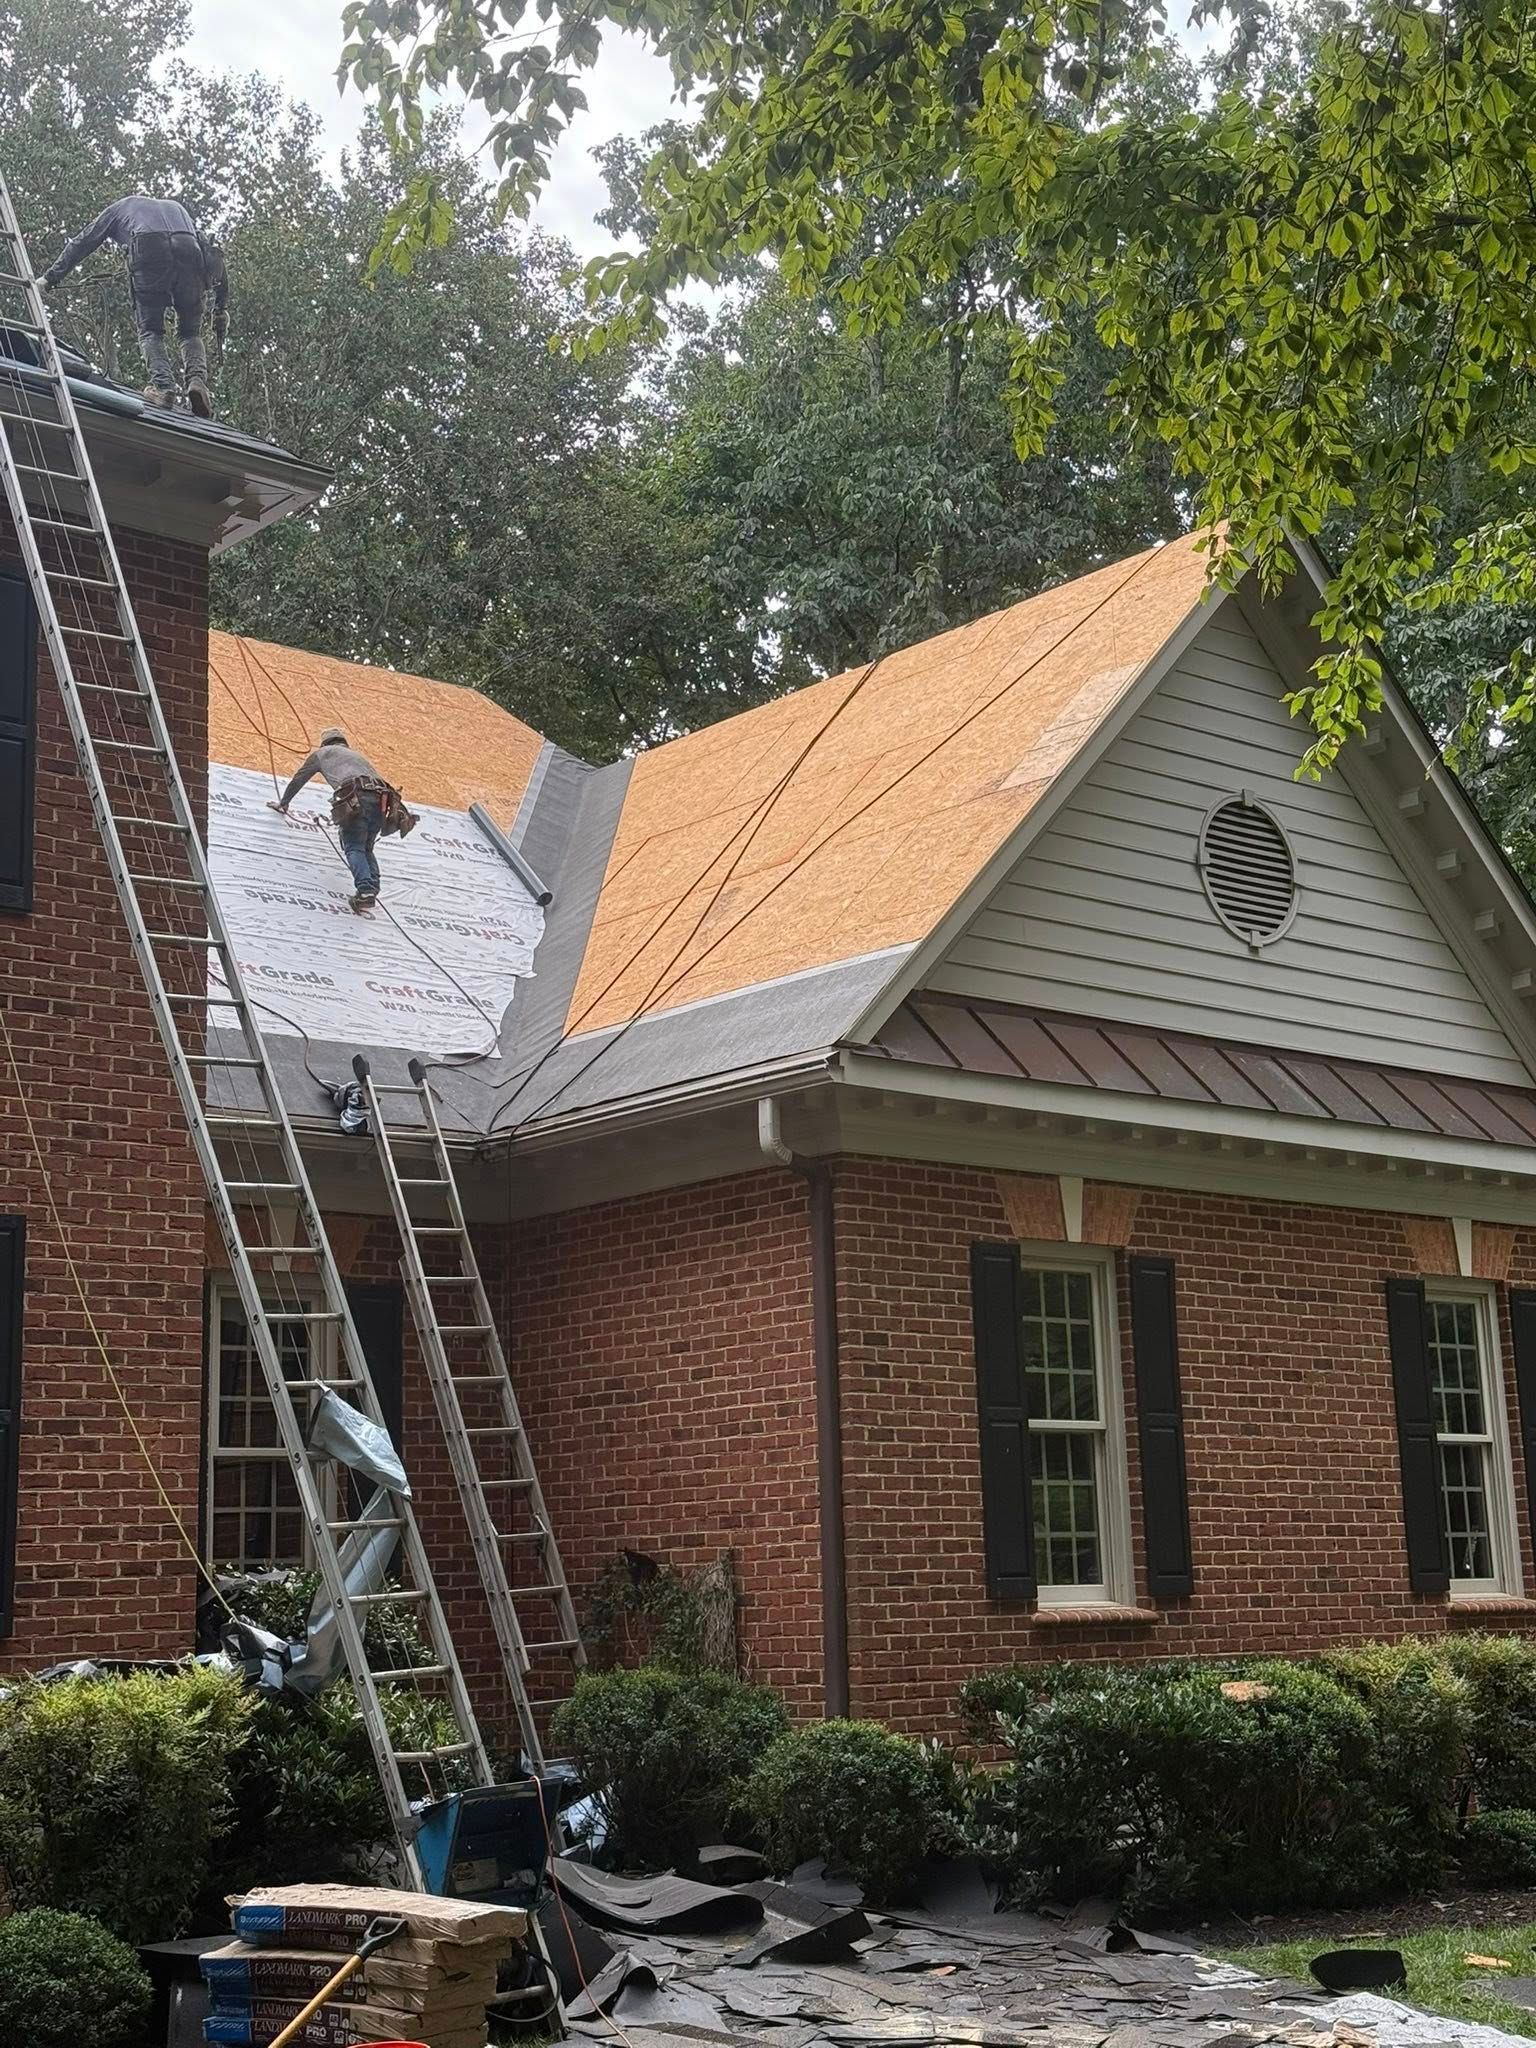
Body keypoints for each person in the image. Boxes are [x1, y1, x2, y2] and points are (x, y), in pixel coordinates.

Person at [41, 195, 229, 419]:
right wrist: (221, 306)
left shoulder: (120, 208)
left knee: (150, 330)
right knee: (190, 332)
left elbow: (84, 241)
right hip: (190, 250)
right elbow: (212, 254)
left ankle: (163, 387)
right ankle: (197, 382)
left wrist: (49, 278)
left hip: (148, 248)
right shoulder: (178, 209)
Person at [268, 728, 417, 913]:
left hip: (357, 797)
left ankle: (365, 891)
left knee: (354, 845)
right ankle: (372, 888)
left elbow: (299, 779)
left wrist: (284, 803)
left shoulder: (322, 754)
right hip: (382, 800)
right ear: (344, 743)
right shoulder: (356, 756)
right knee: (367, 847)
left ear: (325, 743)